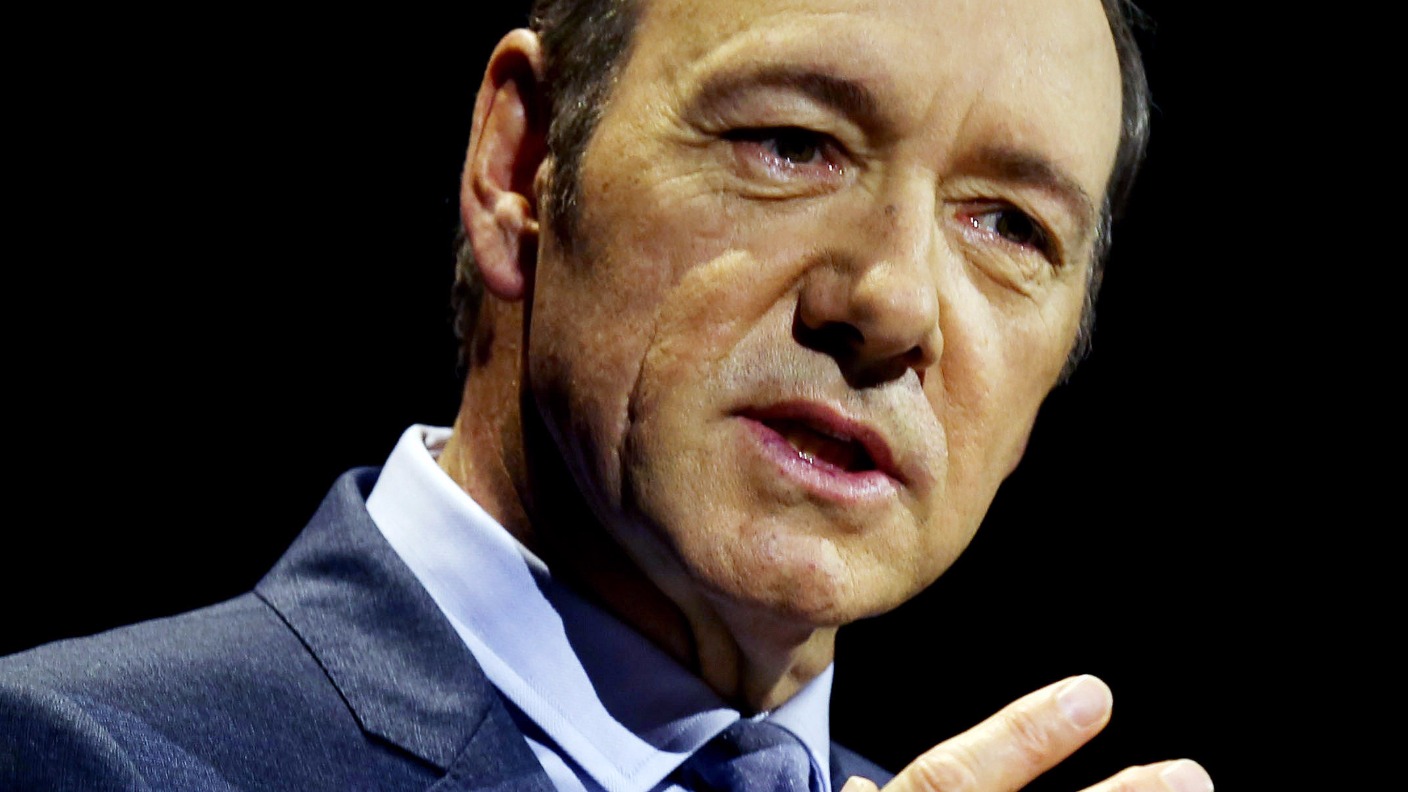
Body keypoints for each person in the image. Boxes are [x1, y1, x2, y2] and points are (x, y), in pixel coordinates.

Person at [2, 0, 1213, 790]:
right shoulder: (80, 759)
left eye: (1009, 226)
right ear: (521, 166)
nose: (894, 302)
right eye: (791, 145)